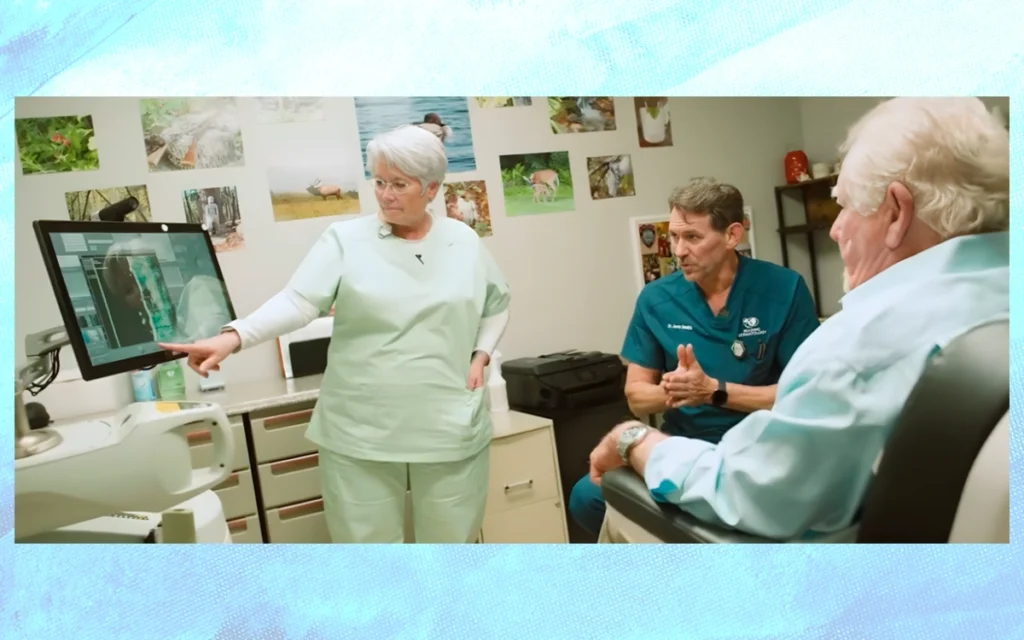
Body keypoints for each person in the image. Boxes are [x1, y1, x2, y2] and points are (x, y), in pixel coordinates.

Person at [589, 97, 1009, 541]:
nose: (834, 229)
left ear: (896, 213)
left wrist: (632, 439)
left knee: (616, 513)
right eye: (673, 237)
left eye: (844, 207)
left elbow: (750, 492)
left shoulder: (862, 347)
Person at [159, 124, 512, 544]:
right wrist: (232, 338)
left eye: (399, 184)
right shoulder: (345, 240)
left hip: (448, 422)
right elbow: (298, 302)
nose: (385, 194)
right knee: (369, 556)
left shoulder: (463, 240)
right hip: (360, 428)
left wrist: (482, 354)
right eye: (379, 181)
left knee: (451, 550)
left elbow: (497, 303)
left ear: (431, 188)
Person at [568, 177, 821, 538]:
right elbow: (637, 396)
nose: (679, 250)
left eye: (693, 237)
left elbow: (802, 396)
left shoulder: (783, 289)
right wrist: (679, 390)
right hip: (683, 444)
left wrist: (713, 391)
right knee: (588, 497)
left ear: (733, 235)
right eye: (673, 236)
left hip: (760, 443)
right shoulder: (656, 299)